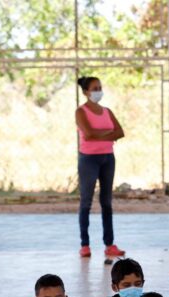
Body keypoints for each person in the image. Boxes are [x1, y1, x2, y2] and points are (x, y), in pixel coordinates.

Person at [74, 76, 124, 259]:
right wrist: (109, 135)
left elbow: (121, 132)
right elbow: (88, 134)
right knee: (86, 201)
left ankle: (109, 244)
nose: (98, 91)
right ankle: (85, 244)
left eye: (100, 87)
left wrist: (100, 135)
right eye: (94, 88)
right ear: (86, 92)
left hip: (107, 158)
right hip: (89, 159)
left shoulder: (107, 111)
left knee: (106, 202)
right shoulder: (81, 112)